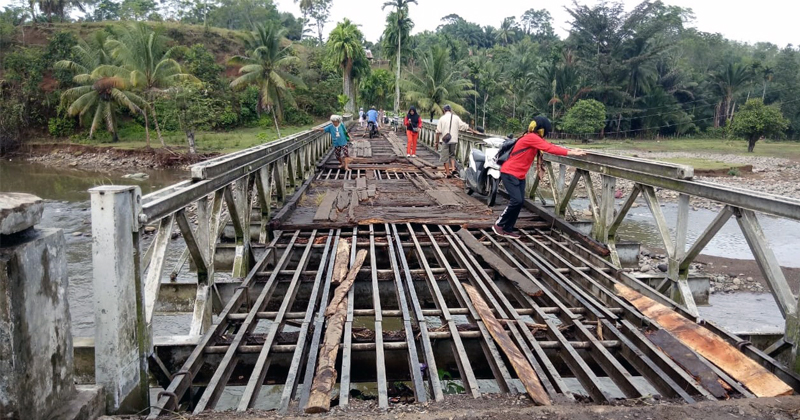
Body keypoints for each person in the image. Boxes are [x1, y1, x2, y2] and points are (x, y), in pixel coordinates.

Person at [493, 116, 587, 238]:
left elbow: (548, 145)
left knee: (520, 202)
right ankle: (499, 225)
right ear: (543, 129)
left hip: (519, 175)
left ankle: (508, 228)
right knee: (516, 201)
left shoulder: (533, 137)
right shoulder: (532, 137)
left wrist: (571, 149)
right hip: (510, 173)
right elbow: (549, 148)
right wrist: (571, 152)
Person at [435, 104, 476, 178]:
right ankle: (453, 168)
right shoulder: (456, 118)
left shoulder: (442, 118)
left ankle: (448, 173)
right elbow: (464, 126)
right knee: (452, 155)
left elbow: (438, 132)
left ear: (444, 110)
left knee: (445, 157)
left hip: (445, 140)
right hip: (453, 139)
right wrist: (473, 131)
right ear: (450, 110)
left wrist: (436, 142)